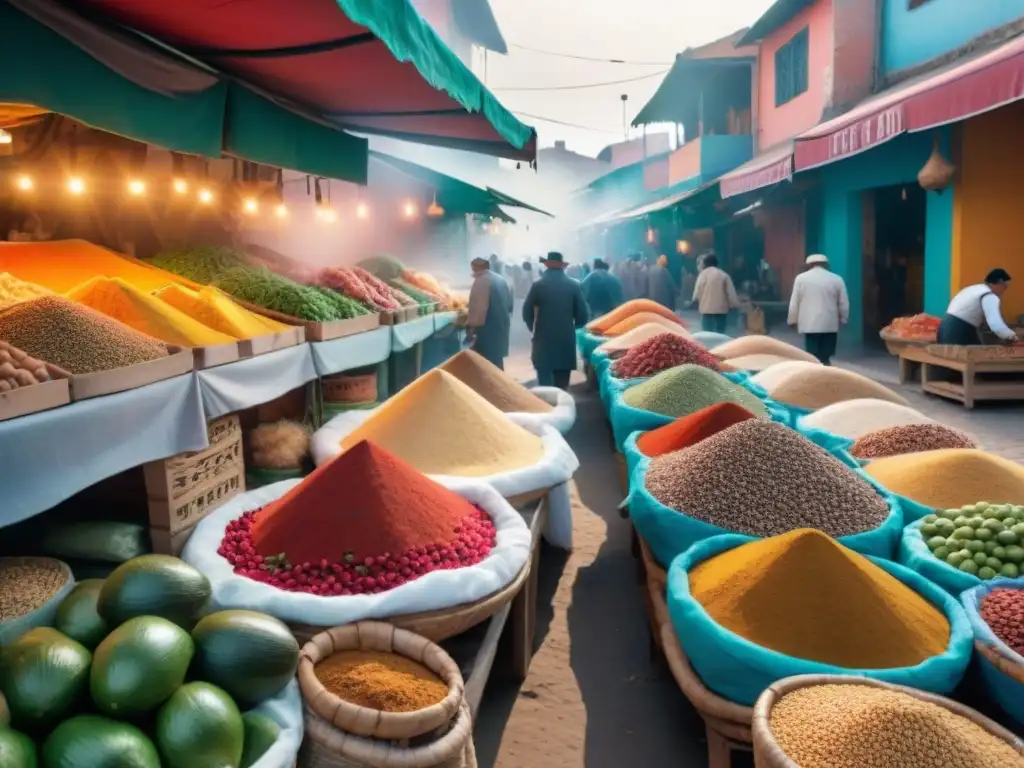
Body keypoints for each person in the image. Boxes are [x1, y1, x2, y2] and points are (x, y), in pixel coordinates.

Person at [523, 252, 589, 389]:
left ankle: (548, 407)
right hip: (565, 340)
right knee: (562, 386)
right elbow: (583, 315)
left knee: (545, 385)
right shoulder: (573, 285)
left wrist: (533, 328)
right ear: (562, 266)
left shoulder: (538, 285)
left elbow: (526, 312)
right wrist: (573, 327)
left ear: (547, 266)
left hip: (543, 340)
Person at [788, 253, 850, 365]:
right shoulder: (837, 279)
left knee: (812, 355)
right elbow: (843, 303)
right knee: (826, 355)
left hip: (809, 324)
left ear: (809, 265)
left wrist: (792, 320)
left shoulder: (801, 279)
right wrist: (844, 318)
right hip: (829, 324)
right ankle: (826, 368)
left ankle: (815, 373)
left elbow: (794, 302)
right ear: (826, 265)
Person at [938, 269, 1018, 345]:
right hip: (959, 330)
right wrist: (1011, 336)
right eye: (1005, 286)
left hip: (944, 328)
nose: (1004, 291)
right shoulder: (989, 295)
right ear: (1000, 282)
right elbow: (995, 324)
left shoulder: (974, 289)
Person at [466, 256, 514, 369]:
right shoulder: (501, 280)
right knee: (497, 360)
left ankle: (489, 386)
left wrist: (471, 329)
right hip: (502, 325)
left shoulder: (482, 281)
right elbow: (510, 305)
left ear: (475, 268)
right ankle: (500, 384)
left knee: (487, 363)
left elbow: (479, 308)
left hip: (488, 328)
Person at [691, 254, 739, 333]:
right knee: (720, 333)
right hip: (721, 311)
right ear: (717, 263)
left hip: (706, 311)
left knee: (707, 333)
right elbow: (731, 293)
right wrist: (734, 304)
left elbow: (698, 290)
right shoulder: (724, 275)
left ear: (705, 264)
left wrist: (695, 299)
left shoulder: (703, 275)